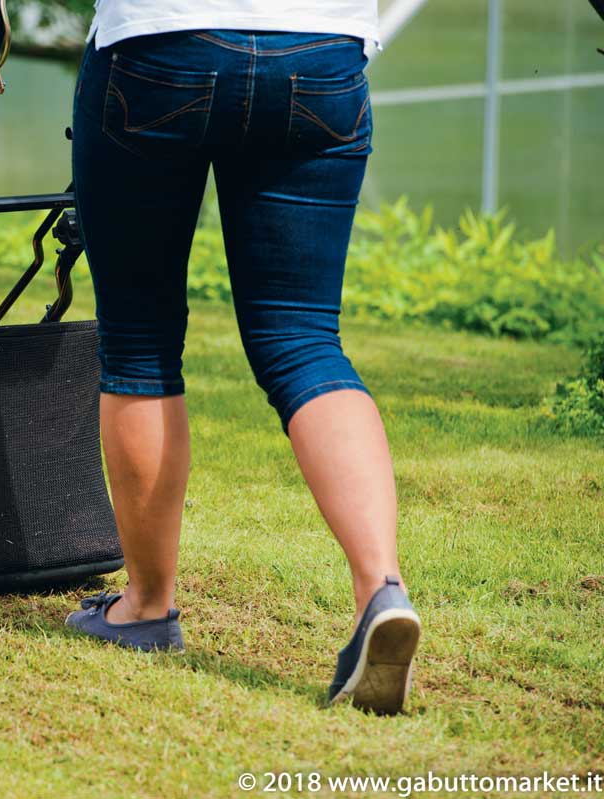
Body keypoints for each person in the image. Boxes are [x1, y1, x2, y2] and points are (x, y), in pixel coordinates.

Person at [63, 0, 421, 715]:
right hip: (321, 48)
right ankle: (381, 588)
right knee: (304, 338)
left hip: (161, 42)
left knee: (140, 336)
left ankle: (146, 606)